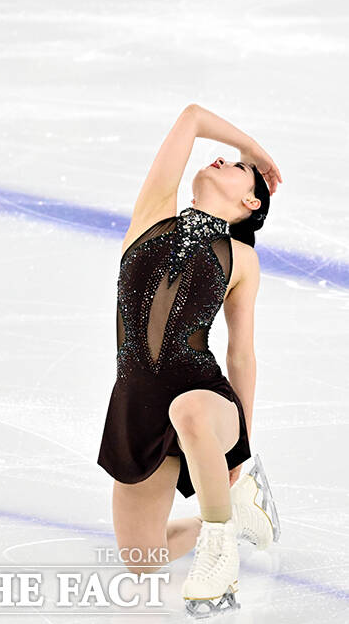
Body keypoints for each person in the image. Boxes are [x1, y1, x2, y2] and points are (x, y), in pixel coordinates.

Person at [96, 103, 283, 617]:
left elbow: (240, 354)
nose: (223, 159)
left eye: (238, 167)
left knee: (189, 410)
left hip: (203, 399)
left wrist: (240, 446)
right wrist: (253, 150)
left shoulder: (242, 258)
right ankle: (227, 520)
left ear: (250, 201)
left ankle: (219, 551)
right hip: (138, 406)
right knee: (141, 560)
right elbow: (193, 118)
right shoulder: (152, 215)